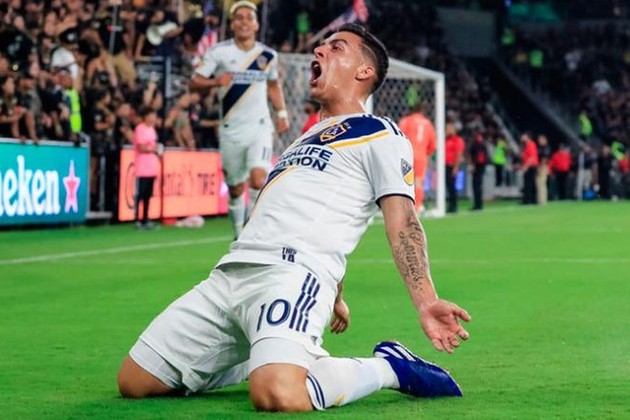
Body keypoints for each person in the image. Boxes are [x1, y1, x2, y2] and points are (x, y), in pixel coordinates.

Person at [117, 23, 471, 412]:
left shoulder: (381, 134)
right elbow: (312, 210)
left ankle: (391, 368)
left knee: (278, 395)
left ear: (364, 71)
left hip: (290, 273)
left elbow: (403, 222)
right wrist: (337, 293)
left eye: (336, 47)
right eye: (322, 46)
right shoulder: (301, 140)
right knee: (136, 380)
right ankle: (270, 352)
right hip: (230, 275)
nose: (319, 51)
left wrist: (426, 301)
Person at [189, 0, 290, 238]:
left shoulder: (267, 55)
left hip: (260, 127)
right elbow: (194, 81)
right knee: (235, 188)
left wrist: (281, 113)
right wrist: (216, 82)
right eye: (239, 18)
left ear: (256, 25)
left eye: (249, 18)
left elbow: (273, 84)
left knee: (258, 179)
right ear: (233, 24)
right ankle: (238, 234)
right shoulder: (219, 52)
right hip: (231, 130)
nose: (244, 22)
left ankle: (251, 235)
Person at [398, 102, 436, 213]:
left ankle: (403, 207)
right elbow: (433, 145)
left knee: (404, 181)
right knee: (418, 182)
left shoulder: (406, 121)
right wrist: (425, 153)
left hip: (406, 154)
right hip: (421, 156)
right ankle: (417, 207)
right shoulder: (428, 124)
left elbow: (399, 137)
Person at [132, 106, 160, 230]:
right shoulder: (140, 128)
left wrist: (154, 148)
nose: (154, 117)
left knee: (148, 194)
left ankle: (146, 218)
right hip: (142, 167)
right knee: (140, 194)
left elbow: (153, 146)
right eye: (152, 115)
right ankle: (137, 219)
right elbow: (141, 147)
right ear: (146, 116)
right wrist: (152, 148)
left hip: (152, 167)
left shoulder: (152, 129)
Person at [445, 122, 465, 213]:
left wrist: (456, 167)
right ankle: (450, 205)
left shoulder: (457, 140)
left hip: (452, 166)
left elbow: (459, 154)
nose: (448, 130)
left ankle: (454, 206)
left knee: (452, 187)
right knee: (449, 186)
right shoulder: (445, 140)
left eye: (449, 128)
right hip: (445, 166)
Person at [469, 132, 488, 211]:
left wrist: (472, 166)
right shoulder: (483, 145)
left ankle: (477, 205)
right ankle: (479, 204)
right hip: (481, 168)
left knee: (476, 187)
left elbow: (473, 156)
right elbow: (485, 157)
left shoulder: (475, 145)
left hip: (476, 168)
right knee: (479, 187)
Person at [520, 132, 538, 205]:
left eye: (523, 136)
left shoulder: (531, 144)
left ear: (528, 137)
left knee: (530, 183)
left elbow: (532, 157)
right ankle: (527, 199)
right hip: (529, 166)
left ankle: (531, 200)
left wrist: (526, 166)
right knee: (527, 183)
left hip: (531, 166)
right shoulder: (526, 145)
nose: (522, 137)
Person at [536, 134, 551, 205]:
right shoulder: (540, 147)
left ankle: (543, 200)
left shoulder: (546, 147)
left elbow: (545, 158)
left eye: (541, 139)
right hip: (541, 166)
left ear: (545, 140)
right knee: (539, 183)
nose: (539, 141)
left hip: (543, 166)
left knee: (541, 183)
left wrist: (540, 167)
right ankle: (540, 199)